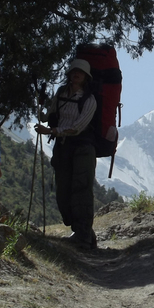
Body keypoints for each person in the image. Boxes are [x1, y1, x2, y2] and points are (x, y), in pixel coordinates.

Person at [35, 58, 98, 249]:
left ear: (86, 77)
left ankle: (83, 236)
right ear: (69, 74)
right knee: (63, 193)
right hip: (63, 148)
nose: (76, 74)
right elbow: (48, 116)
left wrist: (52, 131)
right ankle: (83, 232)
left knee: (81, 191)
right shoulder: (61, 93)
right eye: (73, 71)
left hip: (82, 149)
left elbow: (77, 127)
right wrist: (41, 107)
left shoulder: (89, 99)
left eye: (80, 72)